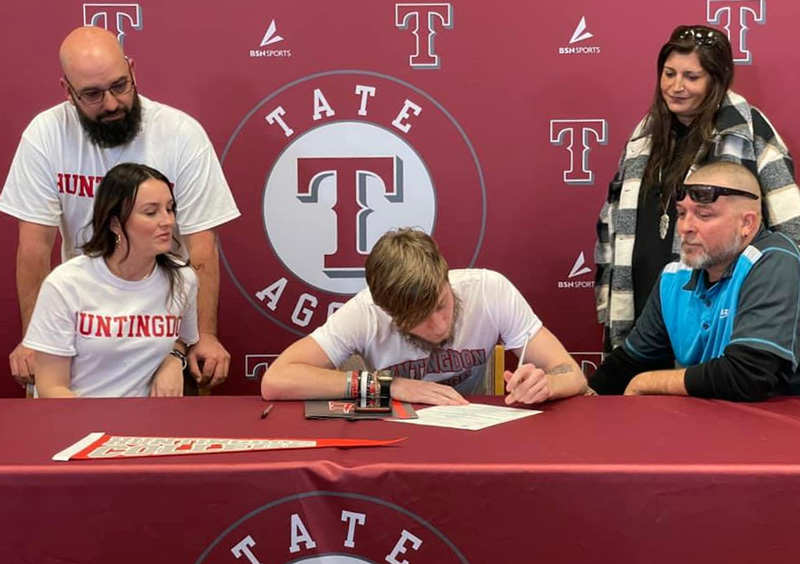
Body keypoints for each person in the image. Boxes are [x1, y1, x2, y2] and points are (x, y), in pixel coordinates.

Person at [0, 26, 239, 390]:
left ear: (132, 70)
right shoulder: (46, 134)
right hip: (82, 322)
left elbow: (202, 247)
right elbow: (34, 247)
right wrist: (36, 338)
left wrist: (203, 335)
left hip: (163, 323)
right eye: (92, 94)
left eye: (119, 86)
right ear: (67, 91)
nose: (111, 104)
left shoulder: (180, 134)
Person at [595, 24, 800, 352]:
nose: (676, 87)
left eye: (691, 77)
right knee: (636, 377)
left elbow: (791, 229)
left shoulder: (749, 130)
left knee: (702, 382)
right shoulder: (643, 136)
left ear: (716, 81)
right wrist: (607, 300)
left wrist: (772, 301)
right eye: (669, 74)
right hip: (643, 300)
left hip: (719, 310)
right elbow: (612, 220)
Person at [262, 228, 587, 406]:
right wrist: (390, 386)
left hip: (470, 430)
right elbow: (276, 380)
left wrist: (547, 385)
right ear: (388, 313)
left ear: (447, 278)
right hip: (394, 440)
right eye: (419, 319)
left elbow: (572, 374)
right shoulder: (364, 312)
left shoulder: (489, 290)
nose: (439, 326)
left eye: (442, 305)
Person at [590, 162, 800, 401]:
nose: (684, 227)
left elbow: (749, 375)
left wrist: (645, 383)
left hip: (775, 420)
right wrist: (586, 398)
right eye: (681, 213)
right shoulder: (674, 275)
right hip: (710, 418)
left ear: (747, 224)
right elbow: (629, 362)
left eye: (703, 215)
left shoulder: (774, 259)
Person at [24, 163, 198, 397]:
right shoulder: (65, 284)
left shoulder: (183, 279)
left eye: (169, 209)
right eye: (151, 212)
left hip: (148, 417)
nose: (167, 221)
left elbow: (183, 339)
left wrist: (173, 358)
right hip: (77, 414)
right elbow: (51, 387)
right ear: (114, 222)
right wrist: (97, 420)